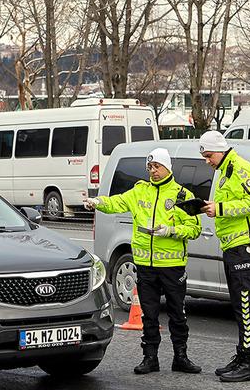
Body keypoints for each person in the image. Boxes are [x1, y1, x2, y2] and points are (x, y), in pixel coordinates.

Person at [83, 148, 202, 375]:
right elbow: (116, 202)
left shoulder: (182, 195)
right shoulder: (140, 192)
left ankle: (181, 357)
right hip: (145, 265)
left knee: (178, 313)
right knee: (149, 313)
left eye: (157, 166)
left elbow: (195, 229)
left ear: (168, 167)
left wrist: (170, 231)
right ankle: (150, 358)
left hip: (172, 266)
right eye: (150, 167)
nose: (153, 171)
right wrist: (97, 202)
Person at [198, 131, 250, 382]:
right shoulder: (225, 171)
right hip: (233, 247)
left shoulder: (240, 168)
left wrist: (221, 208)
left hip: (246, 246)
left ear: (220, 150)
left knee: (247, 305)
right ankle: (242, 355)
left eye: (208, 155)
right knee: (239, 306)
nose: (207, 161)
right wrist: (211, 208)